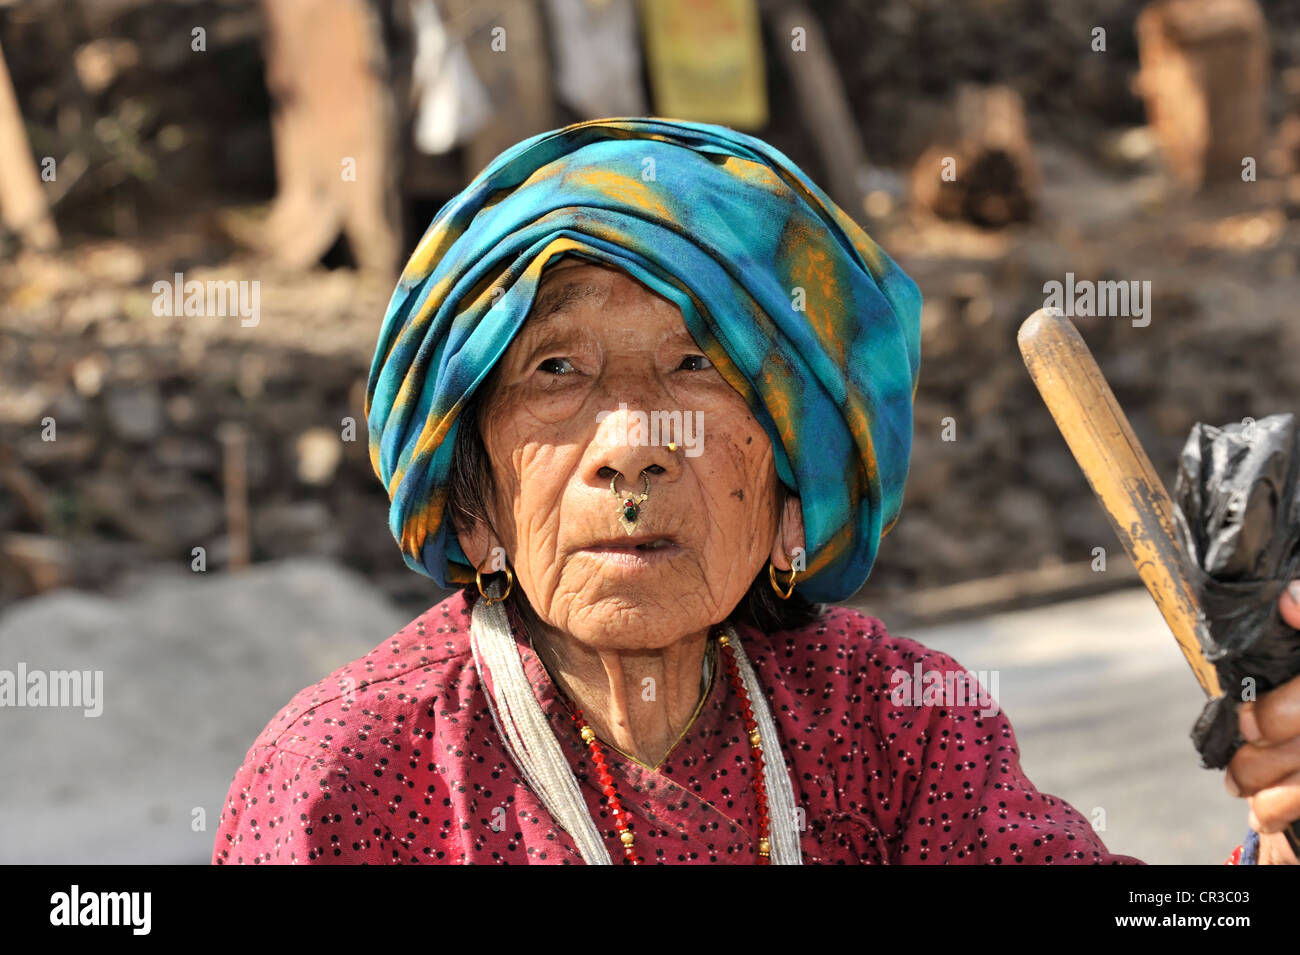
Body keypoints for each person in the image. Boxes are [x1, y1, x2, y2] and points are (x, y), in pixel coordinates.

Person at [213, 118, 1300, 864]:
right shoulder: (349, 779)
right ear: (474, 502)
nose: (632, 446)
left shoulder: (889, 725)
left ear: (792, 493)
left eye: (700, 367)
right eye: (557, 372)